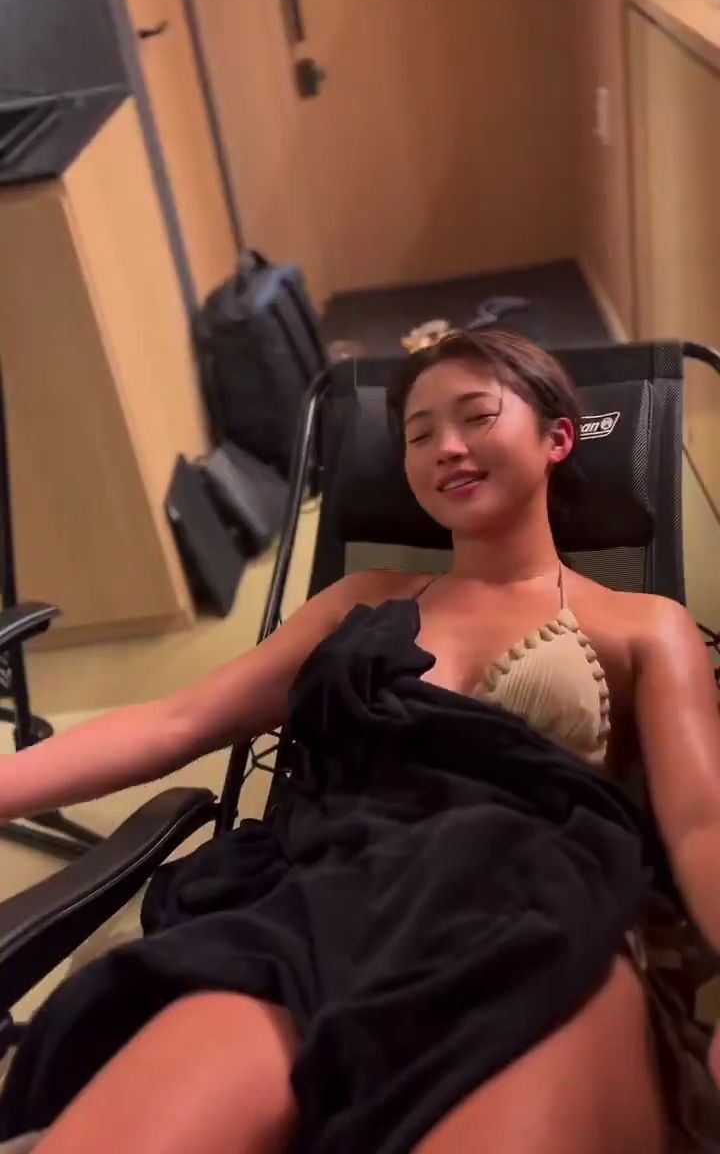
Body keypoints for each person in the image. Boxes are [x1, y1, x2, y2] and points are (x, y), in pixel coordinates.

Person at [0, 330, 719, 1154]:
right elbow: (177, 721)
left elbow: (702, 825)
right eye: (418, 433)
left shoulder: (642, 625)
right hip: (321, 902)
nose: (446, 447)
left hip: (535, 917)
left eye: (476, 416)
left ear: (558, 438)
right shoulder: (359, 602)